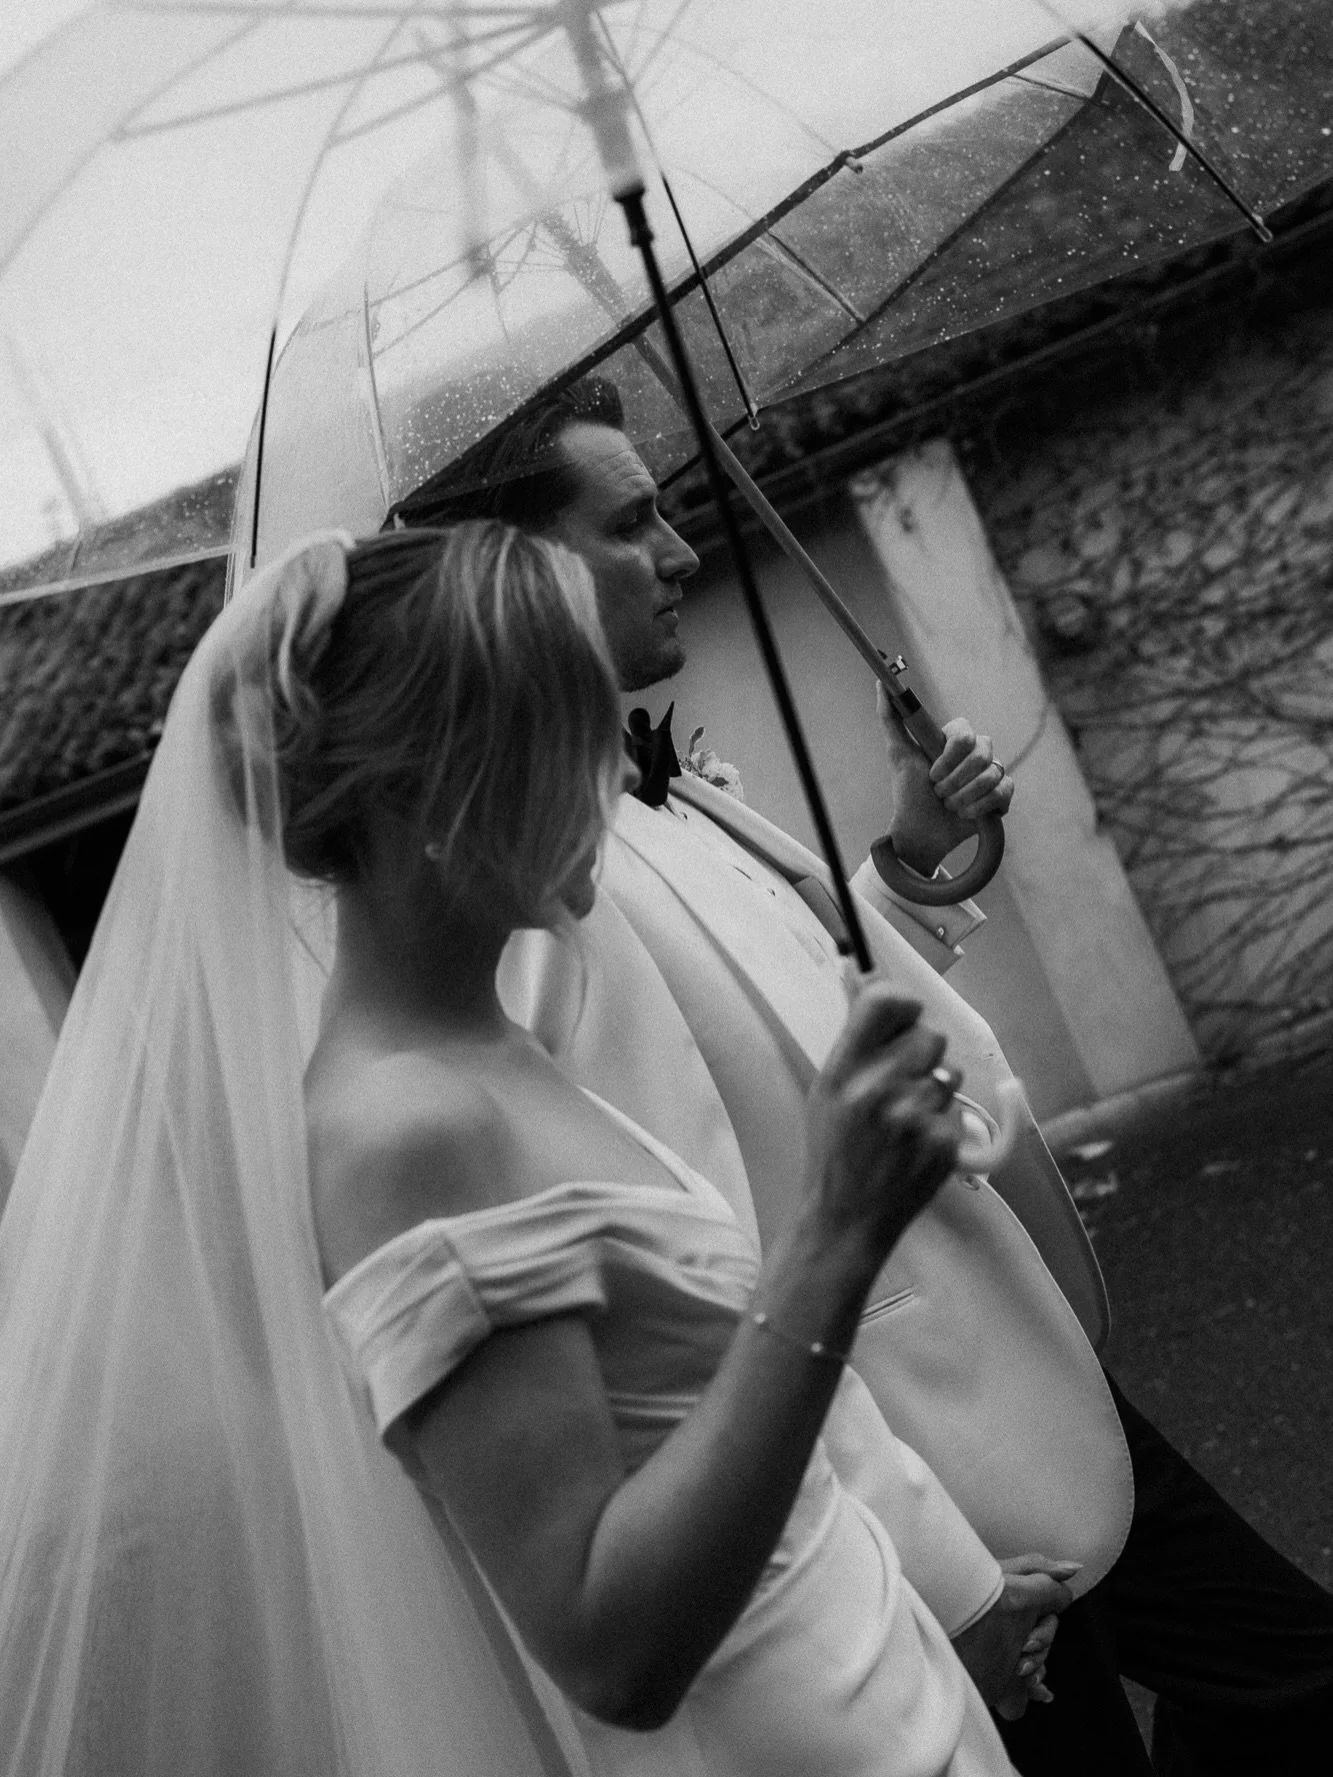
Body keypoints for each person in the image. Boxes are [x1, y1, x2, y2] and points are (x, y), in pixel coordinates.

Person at [0, 523, 1054, 1776]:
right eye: (560, 739)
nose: (603, 787)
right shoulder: (403, 1130)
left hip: (875, 1693)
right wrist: (833, 1235)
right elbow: (607, 1641)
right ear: (437, 789)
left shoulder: (493, 1049)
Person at [395, 378, 1333, 1774]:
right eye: (634, 522)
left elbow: (802, 987)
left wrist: (911, 858)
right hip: (924, 1472)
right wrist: (917, 1573)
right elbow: (683, 1275)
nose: (682, 555)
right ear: (522, 573)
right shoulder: (545, 902)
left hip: (1019, 1372)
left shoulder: (663, 788)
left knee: (1288, 1675)